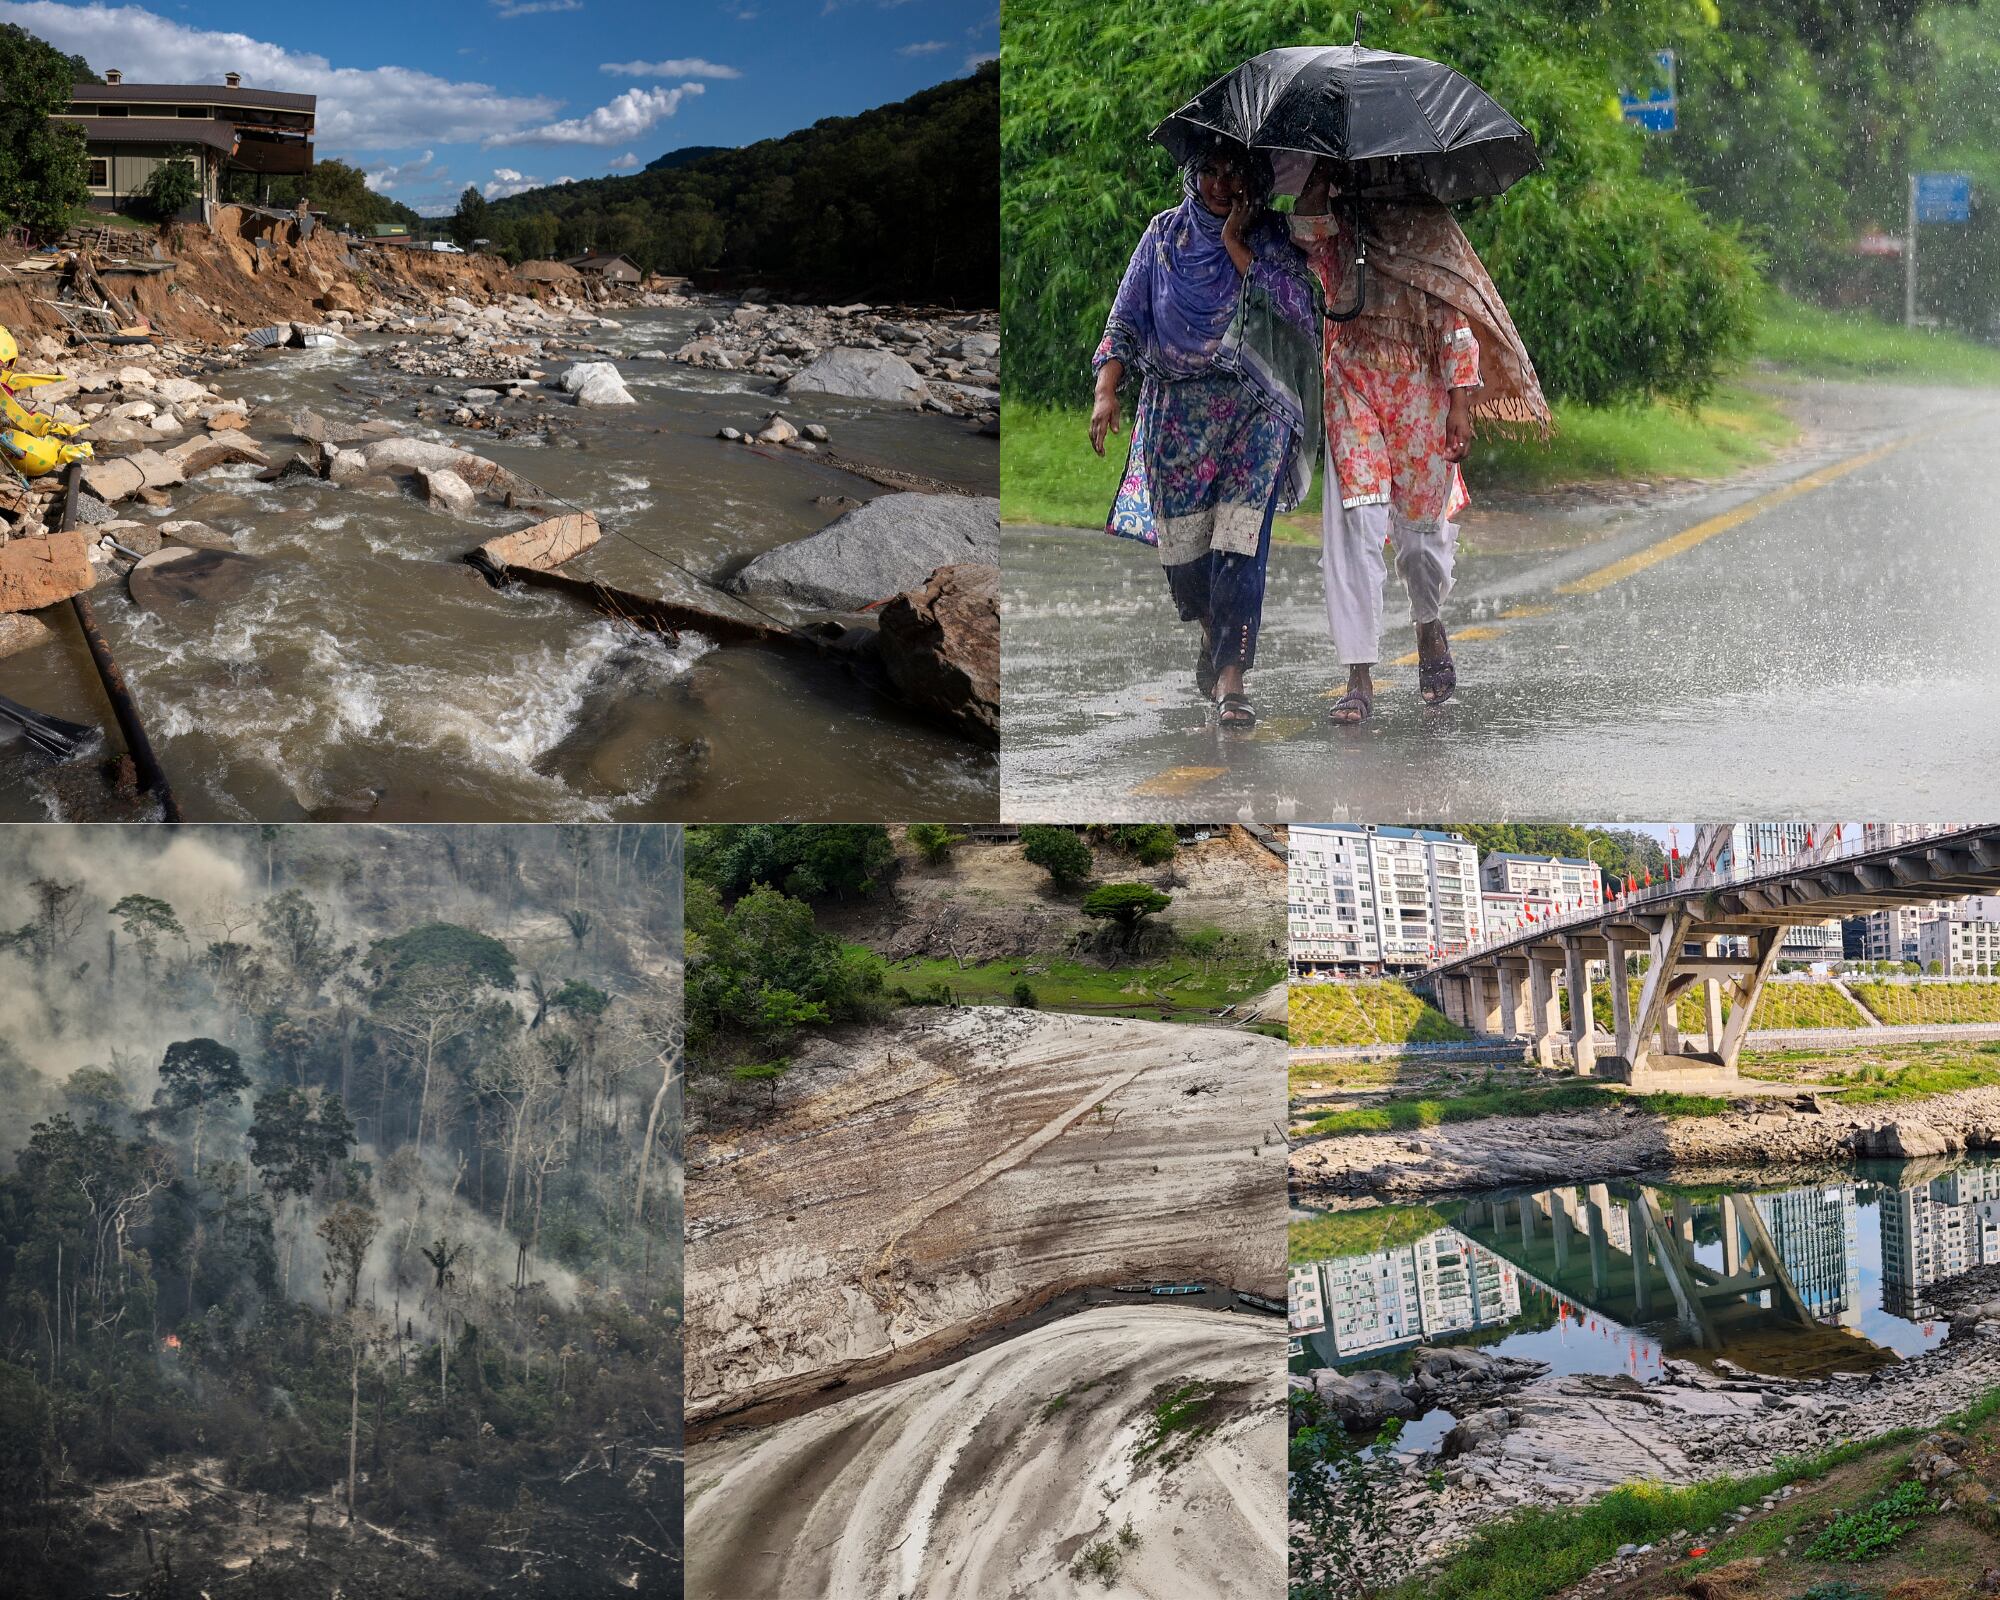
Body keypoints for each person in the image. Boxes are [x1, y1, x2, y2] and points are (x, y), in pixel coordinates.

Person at [1290, 159, 1549, 722]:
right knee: (1357, 519)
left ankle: (1429, 621)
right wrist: (1319, 177)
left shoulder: (1429, 228)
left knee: (1420, 539)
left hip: (1420, 391)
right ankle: (1359, 676)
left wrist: (1460, 405)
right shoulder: (1340, 216)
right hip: (1352, 380)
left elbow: (1457, 321)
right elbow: (1305, 236)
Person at [1089, 139, 1319, 728]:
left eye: (1234, 174)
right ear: (1193, 174)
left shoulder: (1269, 237)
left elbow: (1297, 311)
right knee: (1188, 564)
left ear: (1254, 182)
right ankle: (1212, 631)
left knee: (1242, 546)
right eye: (1210, 171)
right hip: (1177, 416)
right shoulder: (1164, 235)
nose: (1220, 185)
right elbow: (1126, 317)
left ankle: (1231, 681)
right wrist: (1106, 391)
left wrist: (1237, 246)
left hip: (1254, 410)